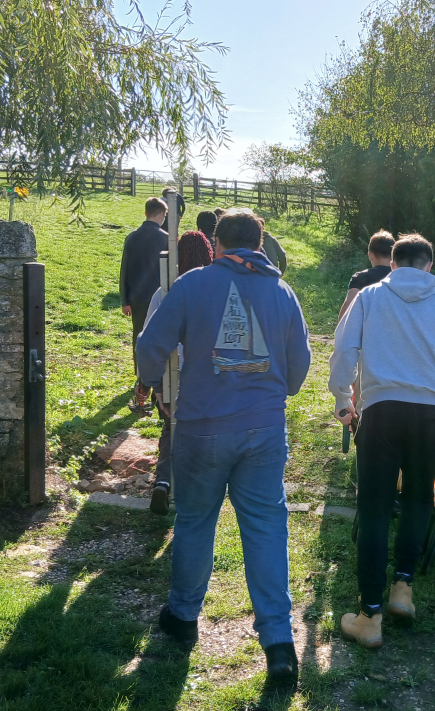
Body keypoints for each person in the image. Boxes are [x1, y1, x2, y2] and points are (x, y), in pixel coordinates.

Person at [136, 209, 311, 692]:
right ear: (260, 243)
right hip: (264, 432)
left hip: (201, 429)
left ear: (216, 243)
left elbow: (151, 345)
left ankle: (183, 616)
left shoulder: (192, 285)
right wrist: (274, 390)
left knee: (195, 520)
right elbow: (300, 367)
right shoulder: (282, 292)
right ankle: (279, 644)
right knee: (266, 528)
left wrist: (154, 385)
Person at [327, 233, 435, 649]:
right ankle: (402, 589)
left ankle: (369, 615)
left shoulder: (370, 297)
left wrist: (343, 397)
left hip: (382, 410)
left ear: (393, 264)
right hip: (432, 417)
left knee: (373, 509)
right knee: (418, 500)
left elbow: (343, 347)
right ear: (429, 265)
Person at [142, 230, 214, 514]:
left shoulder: (164, 290)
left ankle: (163, 481)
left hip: (172, 372)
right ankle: (192, 487)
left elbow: (149, 337)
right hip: (205, 373)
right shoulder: (215, 289)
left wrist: (156, 386)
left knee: (172, 429)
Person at [120, 197, 169, 412]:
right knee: (159, 340)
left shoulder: (132, 237)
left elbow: (125, 270)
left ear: (146, 212)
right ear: (161, 214)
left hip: (138, 298)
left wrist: (124, 300)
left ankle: (140, 379)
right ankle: (155, 380)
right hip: (160, 297)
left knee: (138, 338)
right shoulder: (166, 239)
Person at [339, 230, 395, 321]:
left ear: (370, 255)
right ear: (393, 255)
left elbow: (347, 310)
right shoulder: (400, 278)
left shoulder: (360, 278)